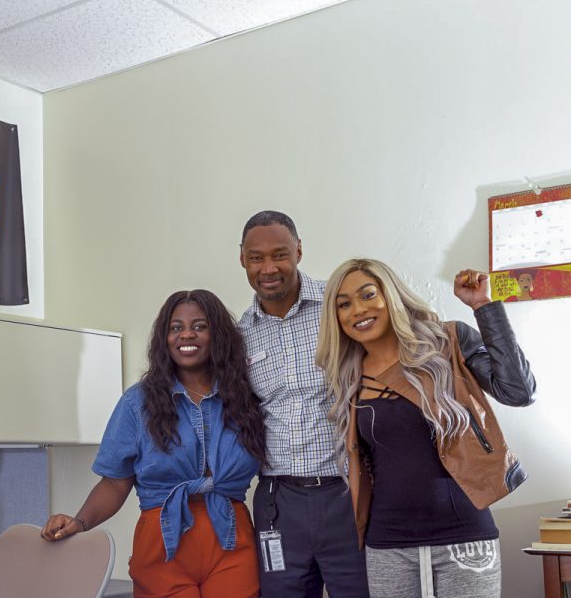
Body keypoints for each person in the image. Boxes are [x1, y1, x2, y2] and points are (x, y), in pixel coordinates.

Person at [315, 258, 536, 598]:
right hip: (388, 546)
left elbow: (519, 391)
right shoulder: (347, 376)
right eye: (343, 304)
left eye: (367, 294)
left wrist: (483, 306)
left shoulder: (446, 343)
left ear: (390, 296)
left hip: (464, 539)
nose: (357, 310)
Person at [41, 289, 266, 598]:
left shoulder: (245, 400)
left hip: (231, 538)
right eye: (176, 327)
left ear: (218, 335)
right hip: (162, 541)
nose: (187, 334)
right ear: (165, 337)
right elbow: (115, 484)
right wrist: (79, 522)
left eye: (200, 326)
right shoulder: (138, 402)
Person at [237, 210, 369, 597]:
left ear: (298, 250)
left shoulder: (341, 306)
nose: (268, 267)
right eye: (256, 257)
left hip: (348, 492)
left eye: (279, 254)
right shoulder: (240, 333)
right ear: (242, 259)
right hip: (278, 502)